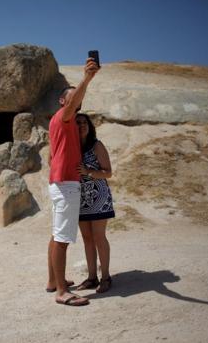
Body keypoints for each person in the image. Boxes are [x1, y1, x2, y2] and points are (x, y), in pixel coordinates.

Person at [46, 58, 99, 306]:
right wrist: (87, 78)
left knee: (56, 235)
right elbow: (73, 102)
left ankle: (53, 282)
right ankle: (62, 294)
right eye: (73, 97)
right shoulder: (64, 116)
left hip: (59, 182)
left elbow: (50, 157)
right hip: (66, 184)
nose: (78, 100)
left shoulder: (61, 124)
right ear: (63, 101)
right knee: (62, 239)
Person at [74, 113, 115, 293]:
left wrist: (88, 171)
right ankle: (92, 278)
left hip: (99, 198)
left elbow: (108, 173)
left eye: (85, 123)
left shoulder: (97, 145)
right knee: (86, 238)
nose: (82, 125)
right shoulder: (72, 147)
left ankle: (106, 277)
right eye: (78, 123)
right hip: (80, 198)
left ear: (89, 126)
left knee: (99, 237)